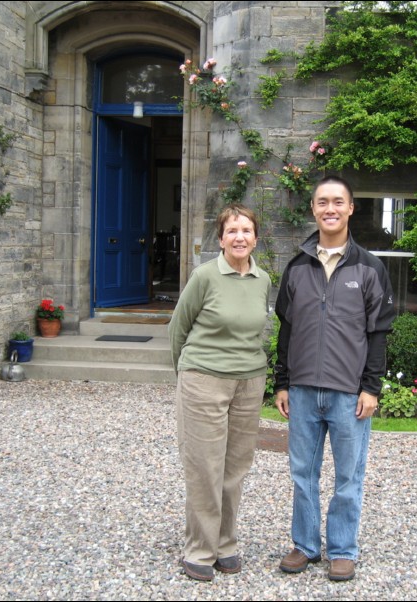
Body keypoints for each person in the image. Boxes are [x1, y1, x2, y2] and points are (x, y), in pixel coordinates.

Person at [274, 175, 395, 582]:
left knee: (349, 477)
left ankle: (342, 548)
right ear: (313, 209)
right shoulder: (296, 268)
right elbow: (286, 329)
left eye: (337, 202)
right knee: (301, 474)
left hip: (348, 394)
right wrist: (282, 382)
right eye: (322, 202)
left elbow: (378, 331)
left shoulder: (369, 267)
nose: (330, 209)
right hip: (304, 390)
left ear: (350, 209)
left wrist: (371, 387)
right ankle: (305, 545)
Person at [169, 204, 272, 582]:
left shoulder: (263, 279)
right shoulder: (205, 276)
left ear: (256, 238)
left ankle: (225, 541)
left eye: (246, 230)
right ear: (221, 238)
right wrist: (185, 373)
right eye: (232, 231)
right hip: (203, 379)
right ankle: (200, 547)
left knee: (235, 467)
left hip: (248, 382)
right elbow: (177, 329)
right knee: (204, 466)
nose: (240, 237)